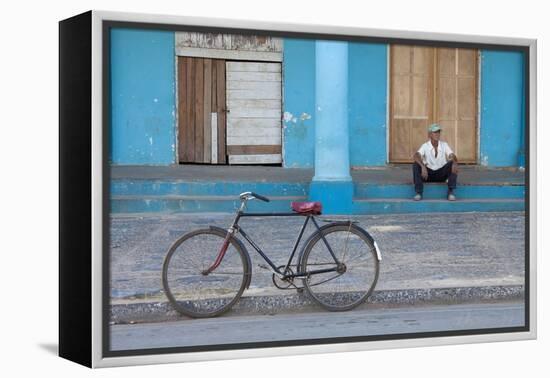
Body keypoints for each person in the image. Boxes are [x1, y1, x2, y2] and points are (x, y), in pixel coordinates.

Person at [412, 123, 458, 201]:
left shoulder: (444, 145)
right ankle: (419, 193)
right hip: (428, 175)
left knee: (452, 163)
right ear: (430, 134)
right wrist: (423, 166)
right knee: (415, 165)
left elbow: (452, 155)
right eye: (435, 132)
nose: (437, 134)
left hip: (441, 174)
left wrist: (454, 161)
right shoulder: (425, 146)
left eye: (438, 132)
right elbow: (416, 156)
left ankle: (451, 192)